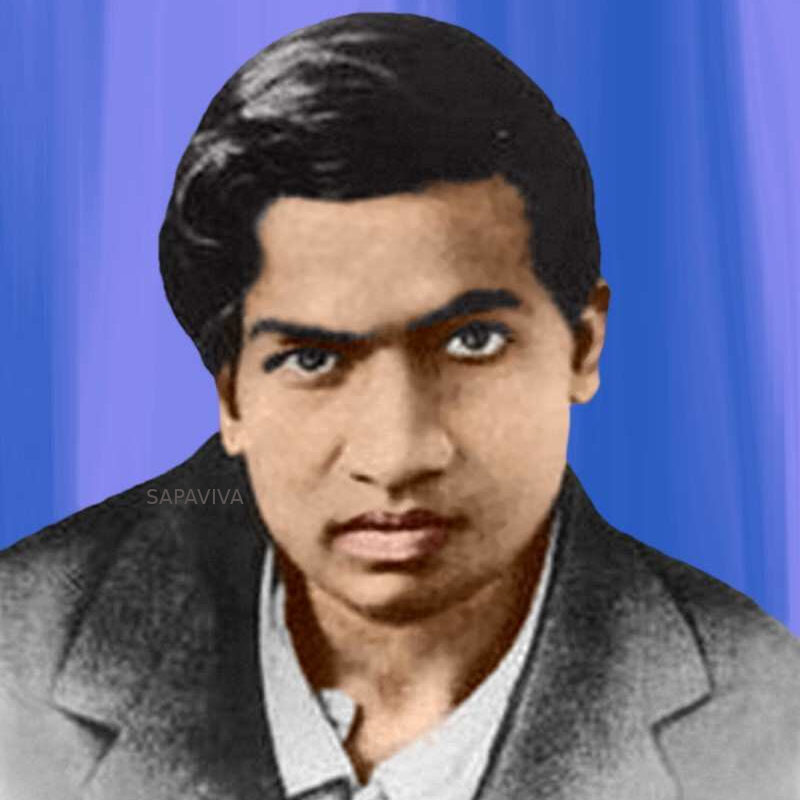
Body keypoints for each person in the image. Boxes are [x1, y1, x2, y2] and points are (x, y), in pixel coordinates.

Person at [1, 12, 797, 800]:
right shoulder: (19, 661)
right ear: (231, 393)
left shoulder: (768, 718)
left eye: (472, 343)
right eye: (313, 359)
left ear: (583, 347)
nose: (396, 455)